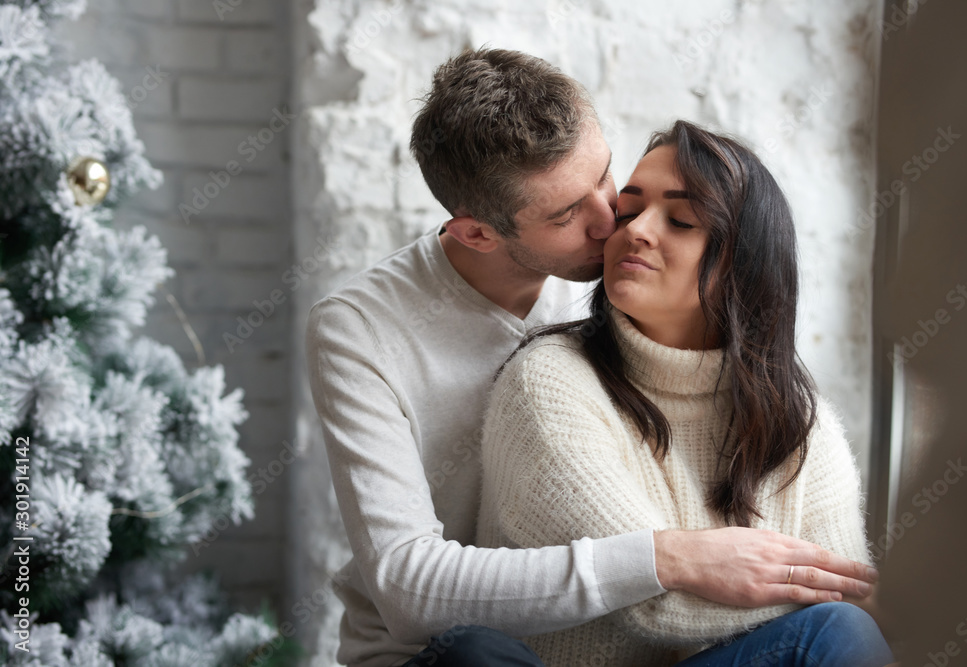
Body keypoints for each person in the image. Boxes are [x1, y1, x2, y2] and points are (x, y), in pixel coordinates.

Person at [305, 48, 879, 667]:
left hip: (639, 646)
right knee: (476, 653)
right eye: (567, 214)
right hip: (447, 652)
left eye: (605, 179)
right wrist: (669, 557)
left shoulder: (626, 280)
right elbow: (409, 589)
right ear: (477, 233)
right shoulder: (362, 329)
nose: (614, 222)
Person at [476, 121, 896, 666]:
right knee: (835, 631)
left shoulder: (798, 420)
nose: (636, 231)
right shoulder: (549, 384)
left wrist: (856, 607)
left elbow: (845, 590)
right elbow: (649, 598)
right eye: (627, 212)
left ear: (742, 262)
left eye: (681, 219)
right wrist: (848, 606)